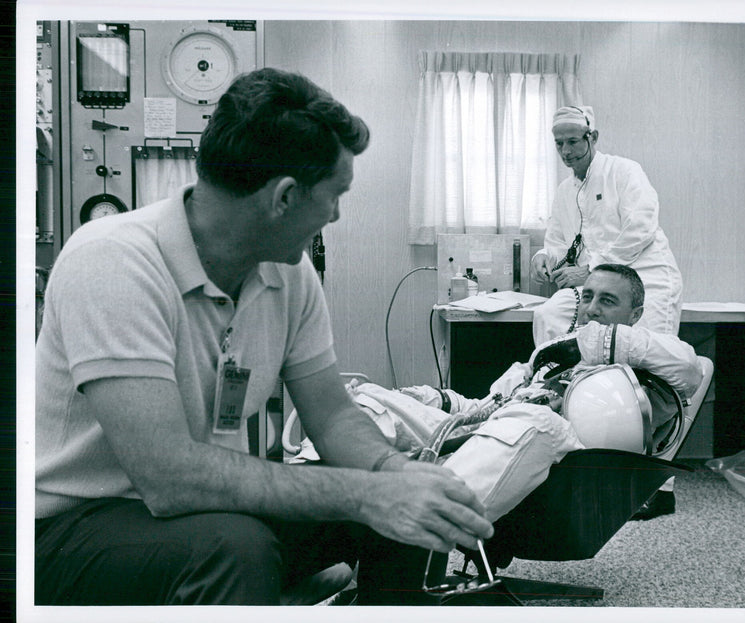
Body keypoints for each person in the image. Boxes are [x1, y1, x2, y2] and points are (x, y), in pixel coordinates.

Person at [34, 67, 494, 606]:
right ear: (285, 197)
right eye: (335, 195)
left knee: (408, 514)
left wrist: (397, 475)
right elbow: (168, 478)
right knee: (233, 548)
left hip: (207, 511)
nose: (336, 214)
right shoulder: (112, 261)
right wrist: (367, 493)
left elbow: (333, 415)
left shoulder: (287, 272)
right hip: (72, 528)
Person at [322, 264, 703, 524]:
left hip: (562, 462)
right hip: (491, 433)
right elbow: (494, 404)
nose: (591, 309)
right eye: (586, 297)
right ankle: (320, 518)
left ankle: (411, 522)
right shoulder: (552, 356)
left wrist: (595, 345)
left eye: (607, 300)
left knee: (534, 420)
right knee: (366, 400)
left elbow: (691, 368)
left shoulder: (644, 370)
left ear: (635, 314)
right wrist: (439, 400)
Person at [531, 105, 683, 346]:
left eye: (572, 141)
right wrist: (544, 256)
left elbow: (641, 228)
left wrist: (591, 269)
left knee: (645, 352)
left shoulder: (623, 171)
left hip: (646, 280)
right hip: (598, 288)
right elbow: (559, 242)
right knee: (548, 315)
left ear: (592, 137)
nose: (566, 151)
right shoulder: (564, 192)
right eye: (559, 143)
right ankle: (557, 378)